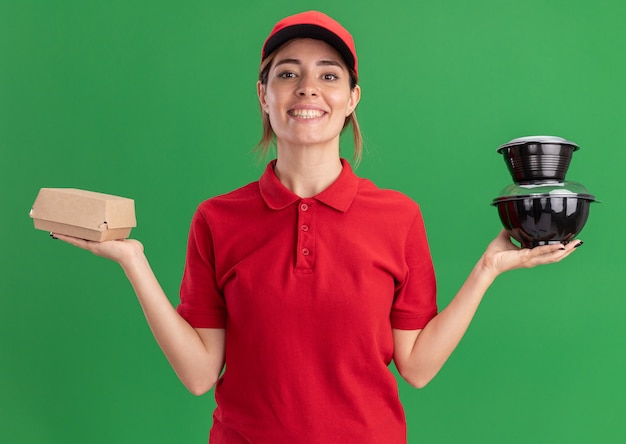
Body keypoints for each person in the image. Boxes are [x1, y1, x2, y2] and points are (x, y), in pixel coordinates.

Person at [54, 10, 582, 444]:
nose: (308, 88)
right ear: (263, 95)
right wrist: (134, 261)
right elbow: (198, 376)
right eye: (287, 73)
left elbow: (416, 366)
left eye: (329, 74)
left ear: (352, 99)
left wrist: (489, 268)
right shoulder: (217, 219)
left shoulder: (398, 216)